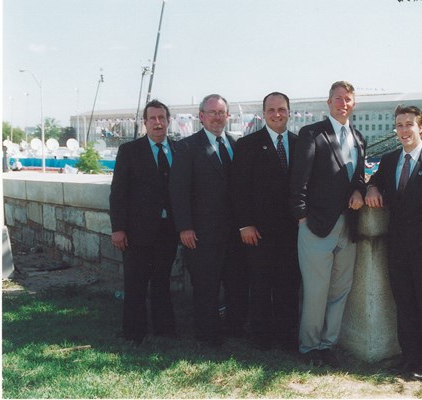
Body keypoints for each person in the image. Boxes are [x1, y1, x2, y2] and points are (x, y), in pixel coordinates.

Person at [365, 105, 422, 381]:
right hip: (396, 246)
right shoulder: (389, 160)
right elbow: (376, 181)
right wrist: (371, 188)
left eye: (409, 125)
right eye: (399, 125)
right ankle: (408, 359)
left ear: (421, 128)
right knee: (404, 305)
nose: (404, 130)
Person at [289, 81, 366, 366]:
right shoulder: (312, 133)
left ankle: (327, 344)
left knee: (340, 290)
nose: (342, 103)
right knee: (315, 291)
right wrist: (301, 216)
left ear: (353, 104)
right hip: (317, 225)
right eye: (338, 98)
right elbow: (299, 179)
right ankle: (309, 347)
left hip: (349, 225)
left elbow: (358, 176)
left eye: (347, 99)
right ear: (329, 102)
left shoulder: (358, 137)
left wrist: (359, 190)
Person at [169, 94, 248, 347]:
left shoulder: (237, 144)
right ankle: (207, 335)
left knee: (236, 283)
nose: (216, 117)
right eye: (211, 112)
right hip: (202, 232)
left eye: (221, 112)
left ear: (228, 116)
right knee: (206, 286)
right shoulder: (187, 147)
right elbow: (178, 191)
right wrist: (185, 227)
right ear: (201, 116)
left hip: (234, 232)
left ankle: (235, 328)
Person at [230, 92, 300, 351]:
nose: (276, 114)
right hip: (258, 230)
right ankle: (261, 336)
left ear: (289, 112)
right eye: (271, 110)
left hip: (292, 230)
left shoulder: (300, 143)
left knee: (288, 283)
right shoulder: (247, 144)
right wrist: (245, 224)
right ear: (263, 114)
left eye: (281, 109)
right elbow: (238, 189)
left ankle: (285, 334)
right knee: (260, 284)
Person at [109, 99, 179, 345]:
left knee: (162, 280)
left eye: (162, 118)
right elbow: (118, 193)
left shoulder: (179, 150)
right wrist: (118, 228)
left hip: (169, 229)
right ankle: (134, 332)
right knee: (135, 282)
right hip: (137, 231)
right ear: (145, 122)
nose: (158, 123)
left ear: (168, 121)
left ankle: (164, 329)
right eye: (152, 119)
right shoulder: (130, 151)